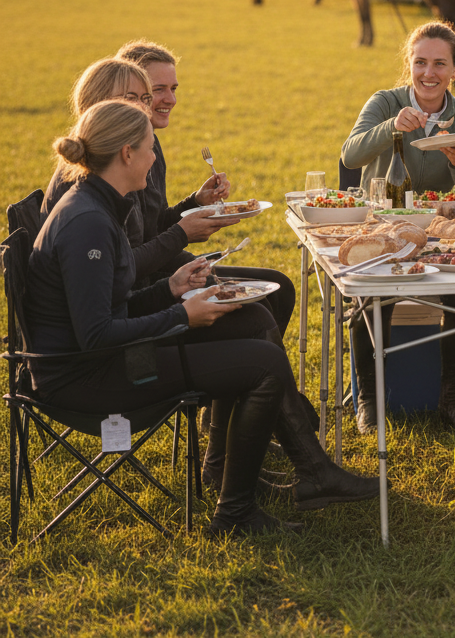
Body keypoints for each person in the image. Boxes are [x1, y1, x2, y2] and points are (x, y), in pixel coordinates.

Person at [27, 100, 378, 536]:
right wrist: (182, 315)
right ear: (127, 154)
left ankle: (304, 471)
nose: (155, 157)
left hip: (108, 358)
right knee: (263, 366)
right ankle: (237, 515)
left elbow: (113, 302)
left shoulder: (99, 204)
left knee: (250, 322)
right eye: (150, 147)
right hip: (91, 378)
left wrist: (171, 287)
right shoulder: (88, 223)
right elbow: (97, 335)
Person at [341, 20, 455, 431]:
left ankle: (453, 397)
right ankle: (370, 400)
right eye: (420, 62)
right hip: (382, 228)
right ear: (409, 63)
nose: (429, 73)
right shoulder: (386, 102)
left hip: (442, 233)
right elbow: (350, 156)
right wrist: (392, 128)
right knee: (373, 292)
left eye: (440, 64)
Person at [115, 39, 296, 336]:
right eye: (157, 90)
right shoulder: (120, 160)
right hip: (146, 290)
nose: (170, 100)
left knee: (280, 288)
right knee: (256, 315)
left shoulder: (150, 146)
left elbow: (153, 224)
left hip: (161, 273)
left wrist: (195, 202)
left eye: (173, 89)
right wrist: (183, 233)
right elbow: (129, 262)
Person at [41, 57, 230, 291]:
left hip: (135, 292)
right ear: (98, 104)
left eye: (145, 98)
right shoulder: (100, 170)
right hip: (127, 299)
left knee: (260, 293)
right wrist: (181, 237)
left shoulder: (130, 156)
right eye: (131, 99)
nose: (144, 109)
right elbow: (119, 272)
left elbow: (150, 230)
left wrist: (196, 203)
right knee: (249, 307)